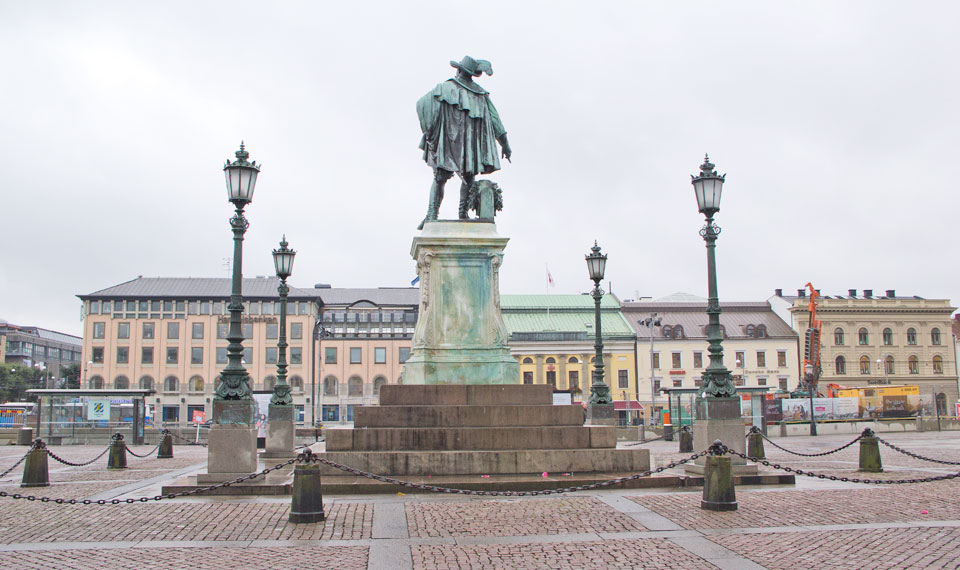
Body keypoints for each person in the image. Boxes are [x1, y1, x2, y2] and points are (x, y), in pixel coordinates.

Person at [416, 56, 512, 229]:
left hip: (448, 140)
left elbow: (422, 105)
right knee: (468, 177)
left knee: (440, 178)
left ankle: (432, 214)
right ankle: (462, 213)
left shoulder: (444, 88)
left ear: (459, 70)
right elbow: (496, 120)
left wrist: (430, 131)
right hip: (468, 145)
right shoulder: (480, 95)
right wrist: (505, 144)